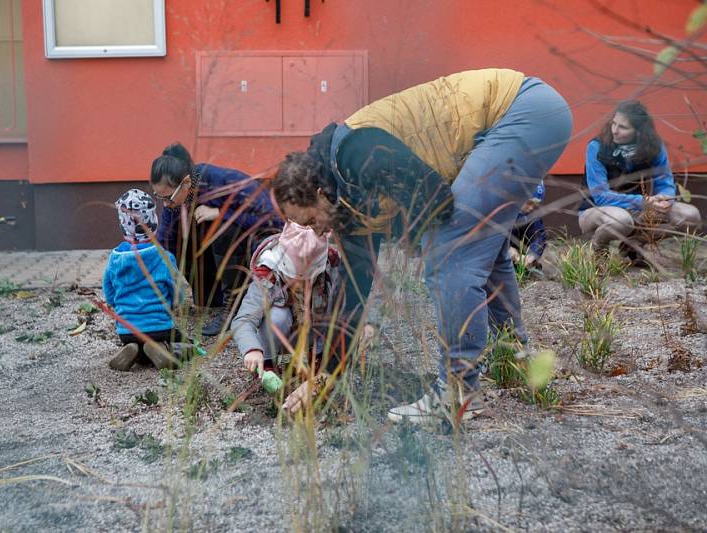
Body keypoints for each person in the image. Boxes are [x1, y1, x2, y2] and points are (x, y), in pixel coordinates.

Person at [271, 68, 572, 422]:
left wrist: (415, 237)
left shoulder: (354, 153)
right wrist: (326, 375)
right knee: (479, 252)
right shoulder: (346, 206)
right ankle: (515, 357)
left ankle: (456, 395)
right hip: (531, 115)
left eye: (310, 221)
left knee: (449, 253)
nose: (316, 234)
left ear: (321, 194)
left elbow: (435, 200)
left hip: (521, 111)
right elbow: (351, 293)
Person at [150, 143, 283, 337]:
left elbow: (272, 219)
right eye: (159, 197)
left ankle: (234, 307)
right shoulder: (176, 199)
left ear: (186, 182)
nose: (166, 204)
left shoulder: (223, 181)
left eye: (168, 197)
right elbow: (165, 240)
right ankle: (212, 296)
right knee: (180, 232)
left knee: (220, 226)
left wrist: (222, 213)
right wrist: (150, 280)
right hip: (227, 259)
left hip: (261, 246)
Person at [231, 221, 344, 412]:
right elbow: (243, 320)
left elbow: (342, 315)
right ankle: (270, 364)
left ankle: (314, 365)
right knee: (277, 317)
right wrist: (252, 349)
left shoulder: (331, 268)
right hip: (282, 338)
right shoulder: (268, 273)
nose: (300, 286)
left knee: (328, 314)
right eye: (295, 279)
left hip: (313, 333)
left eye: (308, 279)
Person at [579, 100, 701, 264]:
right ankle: (598, 249)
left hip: (637, 210)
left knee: (690, 216)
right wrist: (643, 202)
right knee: (621, 220)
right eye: (613, 124)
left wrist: (664, 200)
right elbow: (601, 196)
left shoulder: (653, 147)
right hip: (596, 211)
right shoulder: (596, 147)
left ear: (639, 132)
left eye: (623, 127)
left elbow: (665, 183)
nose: (614, 131)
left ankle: (634, 244)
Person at [103, 189, 192, 371]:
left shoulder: (115, 258)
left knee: (139, 340)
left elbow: (109, 291)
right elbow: (178, 290)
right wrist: (174, 303)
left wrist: (116, 304)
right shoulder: (164, 257)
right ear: (154, 223)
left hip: (126, 330)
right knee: (186, 342)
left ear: (122, 226)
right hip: (159, 326)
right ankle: (165, 351)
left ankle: (136, 352)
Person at [509, 181, 548, 270]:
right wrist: (507, 249)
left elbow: (539, 235)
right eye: (529, 203)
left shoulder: (530, 215)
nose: (531, 208)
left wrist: (532, 255)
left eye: (536, 204)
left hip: (518, 254)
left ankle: (522, 265)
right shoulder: (497, 210)